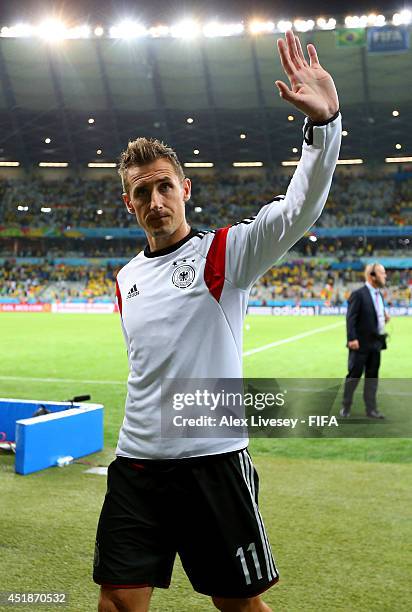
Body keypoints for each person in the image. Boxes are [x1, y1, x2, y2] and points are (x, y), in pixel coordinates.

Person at [93, 30, 341, 612]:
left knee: (239, 607)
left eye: (163, 187)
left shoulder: (222, 255)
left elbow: (296, 210)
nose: (155, 200)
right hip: (137, 464)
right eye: (141, 192)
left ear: (185, 188)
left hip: (212, 462)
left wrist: (325, 126)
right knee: (116, 602)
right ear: (129, 204)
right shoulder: (125, 279)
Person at [341, 263, 390, 419]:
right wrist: (352, 339)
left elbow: (375, 314)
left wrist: (383, 318)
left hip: (376, 344)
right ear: (372, 276)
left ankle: (371, 410)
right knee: (354, 376)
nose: (385, 276)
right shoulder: (358, 294)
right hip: (360, 345)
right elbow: (351, 318)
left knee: (372, 378)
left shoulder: (379, 294)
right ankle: (346, 407)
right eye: (382, 273)